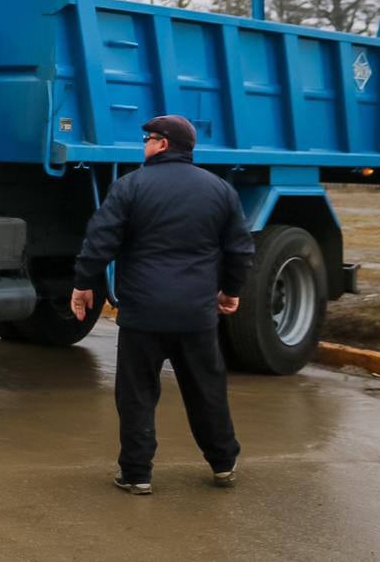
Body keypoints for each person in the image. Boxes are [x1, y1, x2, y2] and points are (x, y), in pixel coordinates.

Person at [70, 114, 254, 496]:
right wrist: (231, 290)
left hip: (143, 315)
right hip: (196, 315)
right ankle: (223, 464)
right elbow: (240, 250)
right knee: (207, 391)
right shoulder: (219, 190)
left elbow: (99, 241)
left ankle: (137, 473)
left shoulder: (130, 187)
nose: (144, 146)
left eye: (148, 139)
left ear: (163, 144)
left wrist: (84, 285)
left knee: (136, 395)